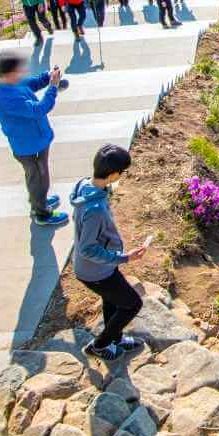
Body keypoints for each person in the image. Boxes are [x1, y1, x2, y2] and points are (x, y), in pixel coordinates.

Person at [70, 144, 150, 360]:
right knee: (132, 304)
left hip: (100, 267)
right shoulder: (94, 209)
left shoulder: (85, 187)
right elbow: (88, 248)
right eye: (122, 172)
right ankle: (100, 344)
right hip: (96, 271)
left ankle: (115, 337)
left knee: (112, 300)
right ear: (114, 174)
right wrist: (123, 257)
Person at [0, 53, 68, 226]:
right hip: (28, 145)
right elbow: (39, 109)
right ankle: (42, 213)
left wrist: (47, 76)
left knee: (38, 176)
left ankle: (38, 201)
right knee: (39, 177)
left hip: (36, 139)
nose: (22, 71)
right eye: (19, 69)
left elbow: (31, 83)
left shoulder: (11, 83)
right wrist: (53, 87)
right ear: (9, 73)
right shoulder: (8, 98)